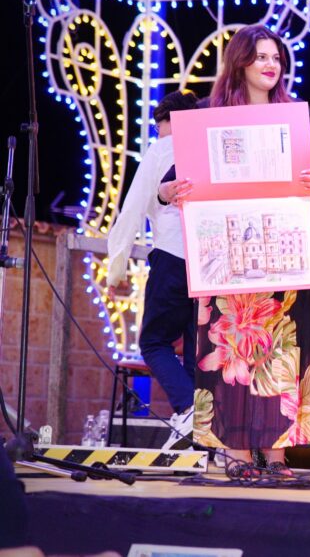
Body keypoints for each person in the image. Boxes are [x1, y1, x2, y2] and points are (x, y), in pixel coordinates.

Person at [160, 25, 310, 477]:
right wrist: (170, 191)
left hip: (284, 256)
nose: (271, 65)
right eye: (260, 57)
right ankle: (235, 452)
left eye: (276, 58)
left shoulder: (292, 117)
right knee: (232, 353)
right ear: (240, 62)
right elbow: (169, 184)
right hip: (227, 259)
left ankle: (276, 454)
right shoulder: (208, 116)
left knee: (283, 351)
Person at [106, 90, 198, 450]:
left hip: (172, 255)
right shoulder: (208, 147)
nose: (158, 133)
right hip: (210, 261)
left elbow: (131, 210)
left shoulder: (162, 150)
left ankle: (188, 408)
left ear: (169, 121)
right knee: (196, 350)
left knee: (153, 342)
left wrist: (116, 269)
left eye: (159, 126)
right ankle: (199, 432)